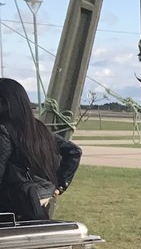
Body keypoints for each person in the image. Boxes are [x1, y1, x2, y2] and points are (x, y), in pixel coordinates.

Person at [0, 78, 82, 221]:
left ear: (4, 103)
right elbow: (73, 151)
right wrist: (58, 186)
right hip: (35, 204)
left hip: (10, 208)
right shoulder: (37, 128)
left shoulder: (3, 130)